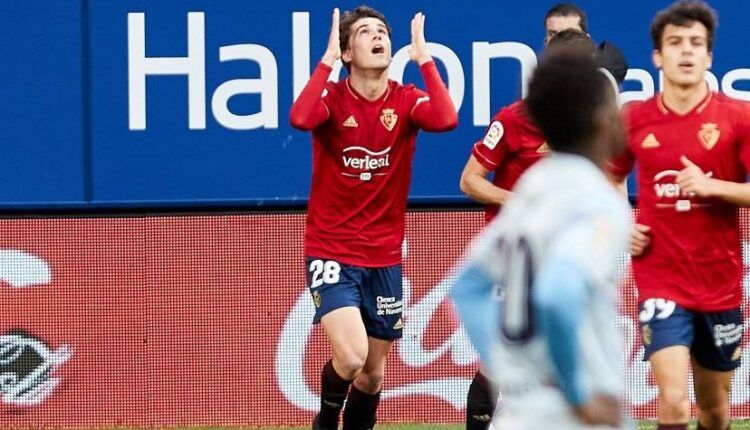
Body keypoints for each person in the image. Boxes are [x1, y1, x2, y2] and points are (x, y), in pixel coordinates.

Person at [289, 6, 458, 430]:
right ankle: (326, 420)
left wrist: (423, 57)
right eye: (365, 32)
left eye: (382, 31)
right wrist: (325, 60)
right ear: (348, 51)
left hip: (384, 257)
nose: (378, 37)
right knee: (350, 356)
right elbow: (300, 117)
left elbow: (446, 118)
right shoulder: (332, 98)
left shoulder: (405, 99)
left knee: (373, 374)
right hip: (331, 250)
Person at [459, 10, 624, 428]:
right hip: (574, 412)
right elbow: (558, 293)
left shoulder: (536, 193)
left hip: (519, 415)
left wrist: (509, 362)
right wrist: (574, 390)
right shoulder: (590, 201)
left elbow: (467, 286)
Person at [607, 2, 750, 429]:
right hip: (660, 277)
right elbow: (604, 178)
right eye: (675, 43)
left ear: (708, 57)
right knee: (672, 401)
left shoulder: (738, 118)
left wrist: (713, 187)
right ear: (657, 56)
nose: (686, 52)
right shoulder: (634, 118)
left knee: (715, 409)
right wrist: (621, 223)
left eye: (696, 44)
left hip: (719, 282)